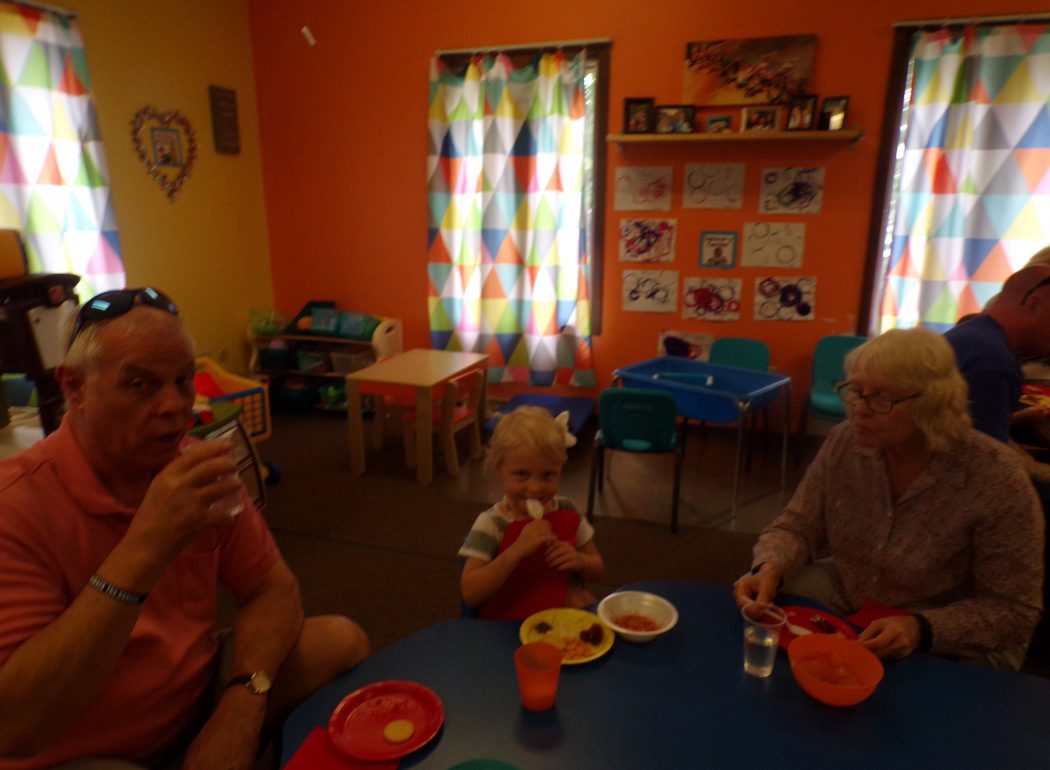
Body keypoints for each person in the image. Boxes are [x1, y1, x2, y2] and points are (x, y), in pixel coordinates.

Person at [0, 288, 369, 770]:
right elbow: (16, 727)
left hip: (193, 703)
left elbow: (271, 590)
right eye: (140, 385)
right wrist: (149, 542)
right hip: (79, 753)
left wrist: (241, 706)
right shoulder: (15, 504)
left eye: (182, 381)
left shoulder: (194, 469)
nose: (175, 406)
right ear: (75, 387)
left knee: (340, 642)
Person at [733, 327, 1043, 670]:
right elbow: (797, 526)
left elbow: (1014, 611)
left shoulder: (996, 477)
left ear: (933, 403)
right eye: (855, 391)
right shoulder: (844, 441)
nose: (859, 409)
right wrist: (769, 568)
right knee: (759, 613)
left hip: (940, 618)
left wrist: (922, 629)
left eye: (881, 398)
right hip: (850, 591)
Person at [458, 406, 604, 620]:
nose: (535, 488)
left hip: (566, 619)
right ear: (499, 470)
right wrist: (517, 550)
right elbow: (470, 594)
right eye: (522, 475)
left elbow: (598, 570)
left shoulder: (567, 509)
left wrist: (581, 560)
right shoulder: (493, 523)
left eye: (548, 475)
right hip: (511, 623)